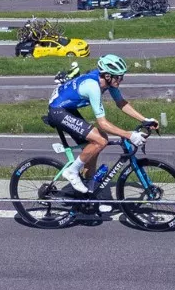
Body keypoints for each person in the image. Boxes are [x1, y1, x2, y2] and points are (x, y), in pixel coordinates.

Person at [46, 54, 158, 194]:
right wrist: (129, 135)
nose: (121, 80)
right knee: (101, 139)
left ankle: (89, 195)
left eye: (122, 76)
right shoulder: (93, 86)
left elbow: (121, 103)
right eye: (118, 77)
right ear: (107, 76)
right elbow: (103, 123)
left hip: (67, 108)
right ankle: (72, 172)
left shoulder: (107, 81)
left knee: (92, 148)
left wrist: (144, 120)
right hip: (57, 111)